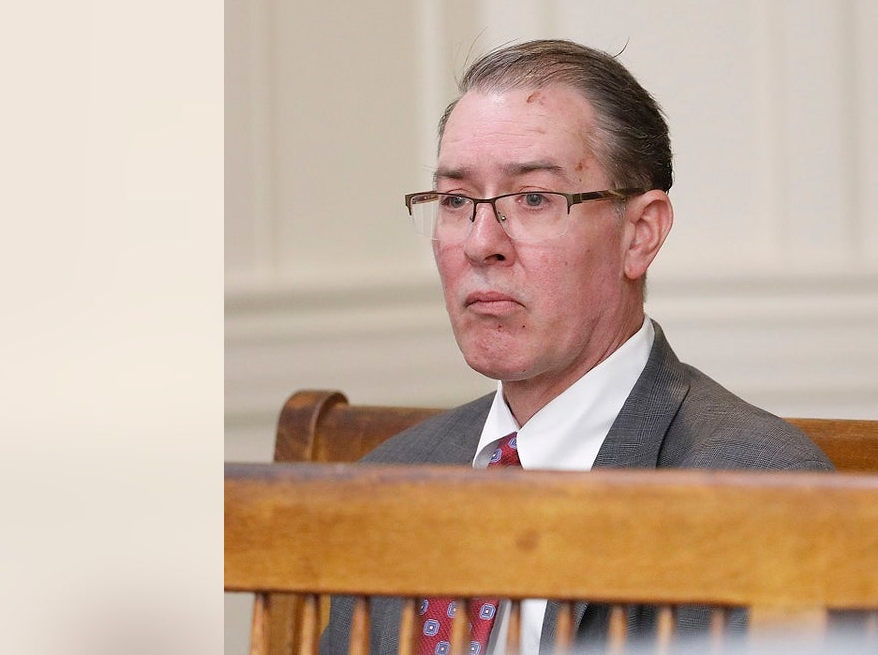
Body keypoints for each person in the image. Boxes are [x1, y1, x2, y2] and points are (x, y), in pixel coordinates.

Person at [320, 38, 833, 655]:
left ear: (640, 234)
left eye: (533, 199)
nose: (481, 243)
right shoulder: (387, 481)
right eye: (456, 201)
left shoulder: (760, 492)